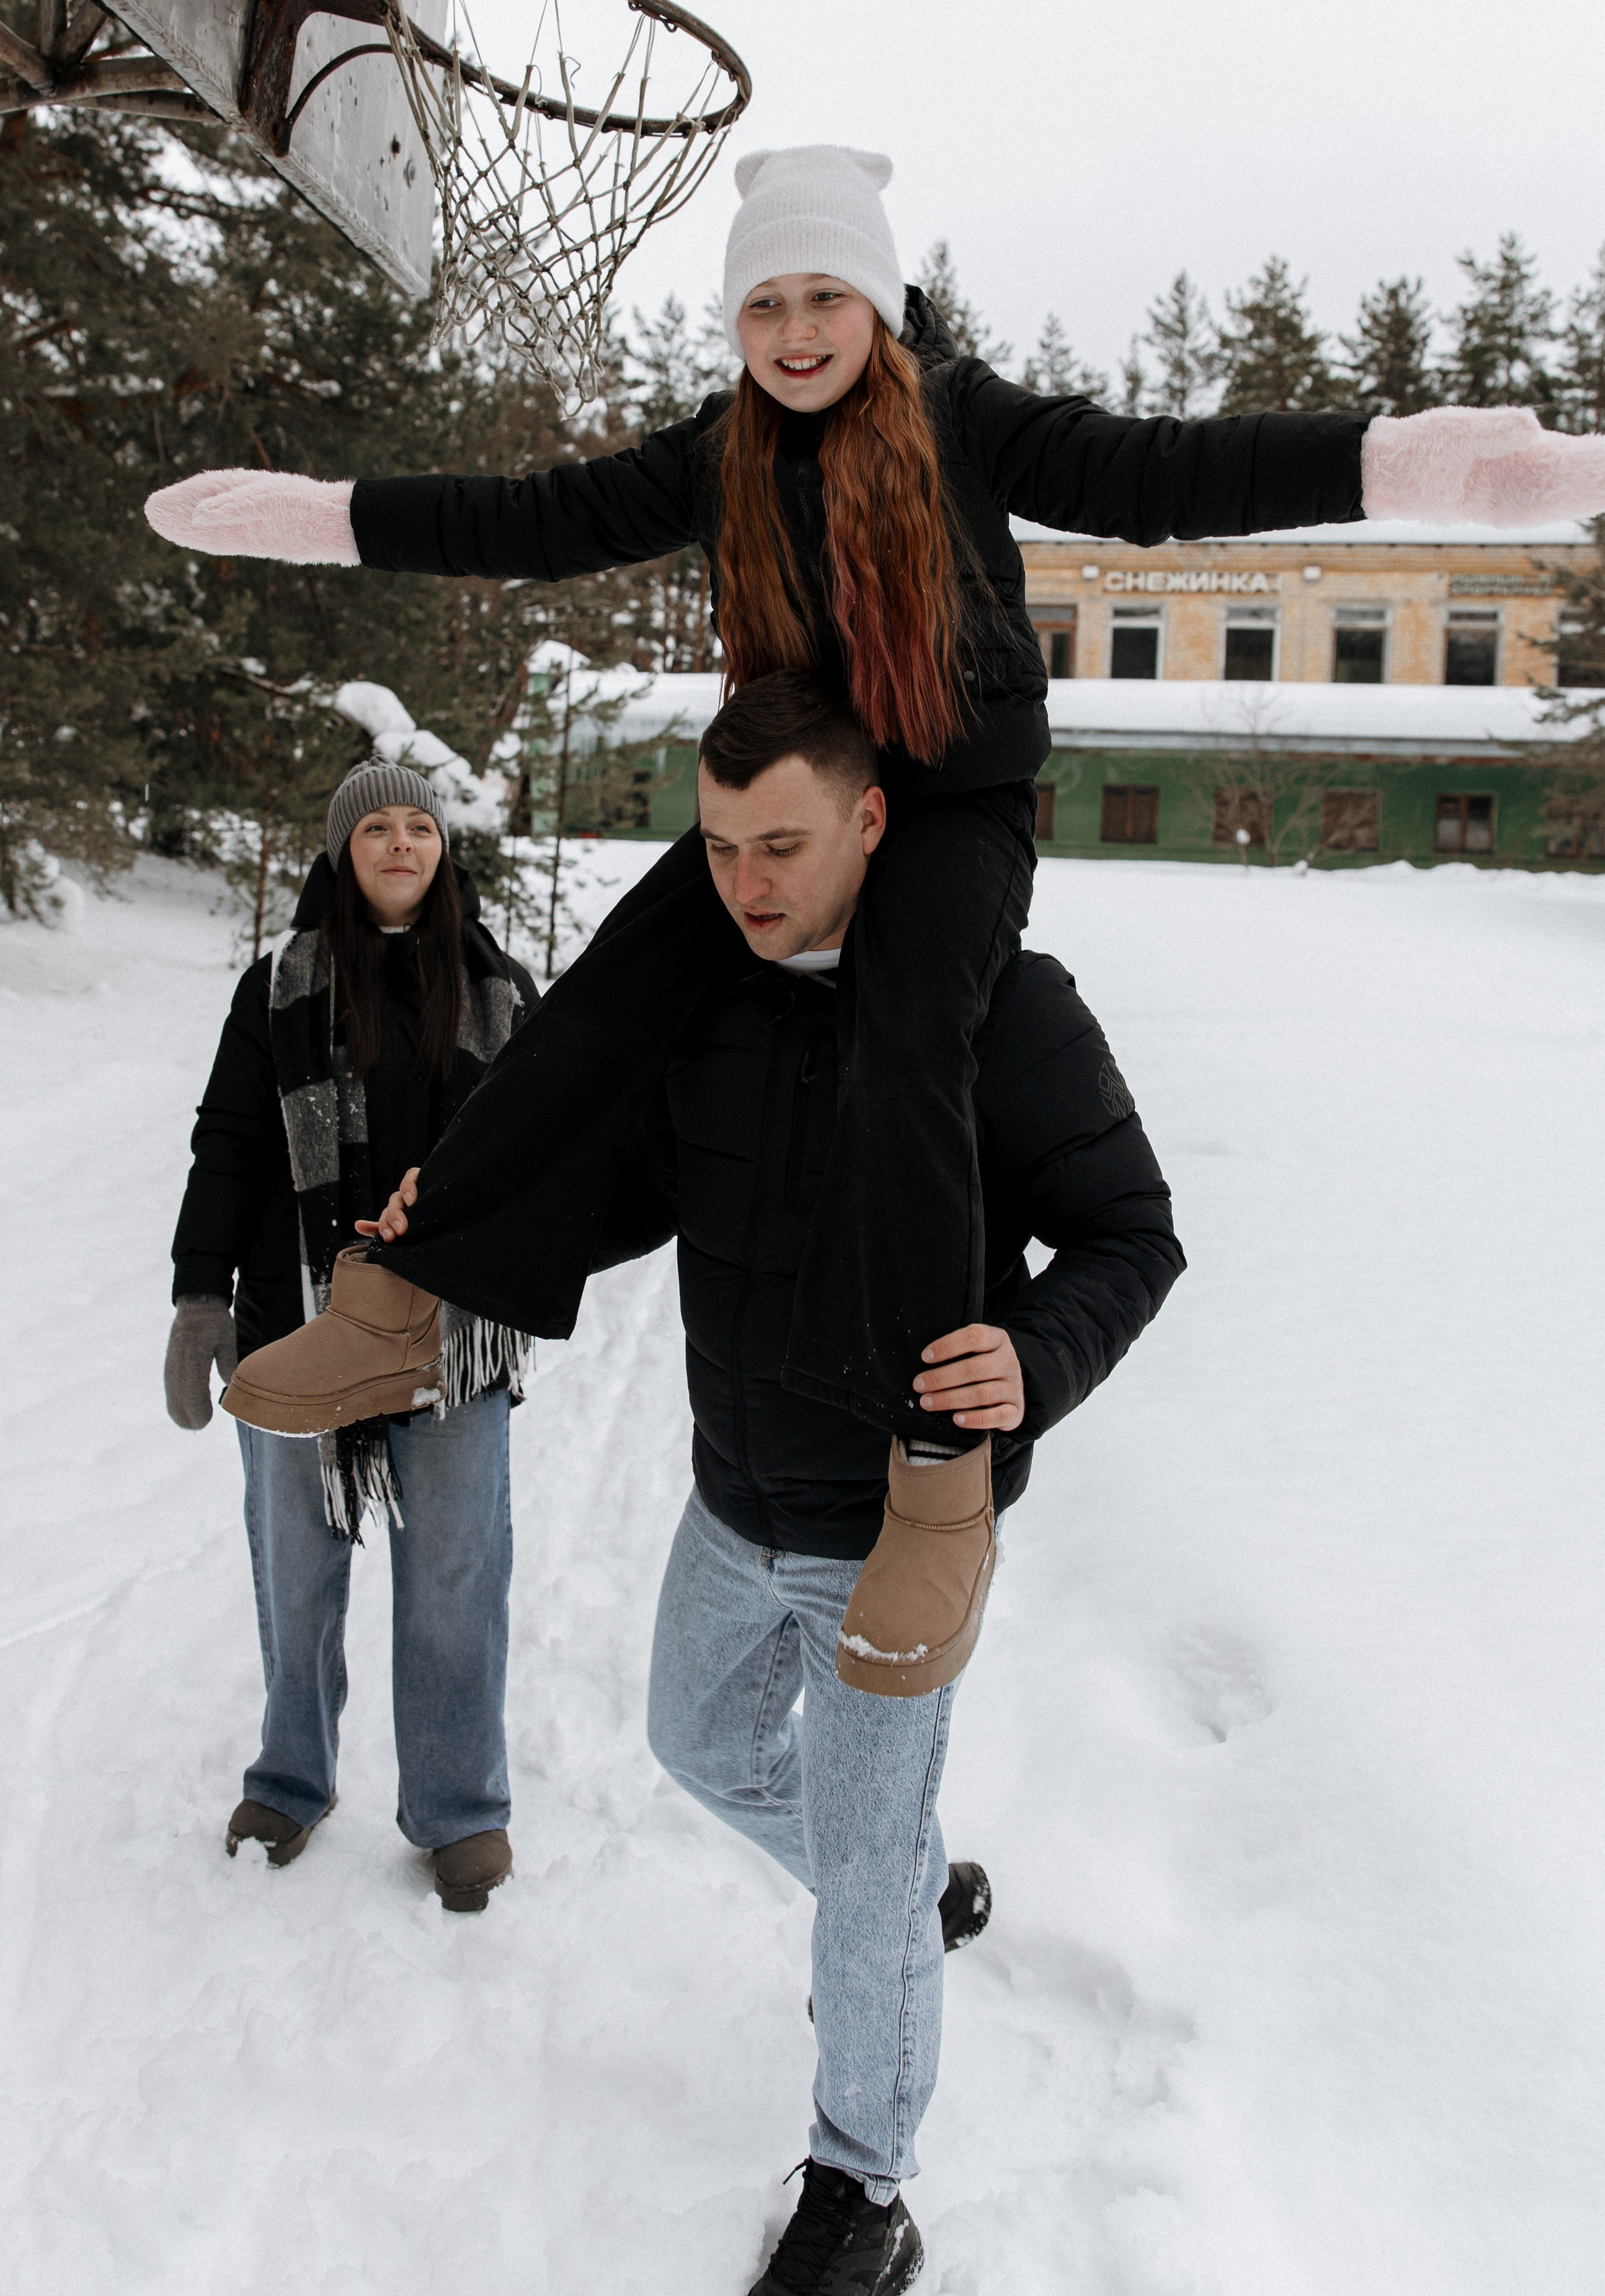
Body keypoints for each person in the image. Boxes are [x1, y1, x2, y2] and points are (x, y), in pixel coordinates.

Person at [144, 144, 1605, 1698]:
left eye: (821, 294)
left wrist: (1406, 467)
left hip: (950, 806)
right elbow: (532, 516)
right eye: (762, 300)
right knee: (603, 1000)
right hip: (795, 783)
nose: (791, 329)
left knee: (908, 1054)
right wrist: (327, 518)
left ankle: (932, 1481)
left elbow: (1168, 476)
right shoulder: (718, 450)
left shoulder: (964, 420)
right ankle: (407, 1305)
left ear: (876, 301)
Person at [372, 671, 1185, 2294]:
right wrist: (460, 1222)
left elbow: (1130, 1234)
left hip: (896, 1525)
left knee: (863, 1892)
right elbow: (634, 1192)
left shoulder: (1000, 1008)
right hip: (730, 1496)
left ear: (872, 823)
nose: (746, 882)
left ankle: (863, 2190)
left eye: (784, 845)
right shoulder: (716, 1000)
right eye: (720, 844)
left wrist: (1035, 1355)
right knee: (696, 1743)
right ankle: (893, 1896)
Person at [164, 758, 536, 1910]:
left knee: (456, 1576)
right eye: (375, 826)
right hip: (300, 1325)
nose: (400, 843)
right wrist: (200, 1296)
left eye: (418, 825)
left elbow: (542, 1160)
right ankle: (289, 1779)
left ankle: (459, 1811)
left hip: (450, 1342)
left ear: (442, 848)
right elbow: (227, 1140)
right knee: (295, 1567)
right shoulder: (278, 985)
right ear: (343, 851)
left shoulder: (500, 989)